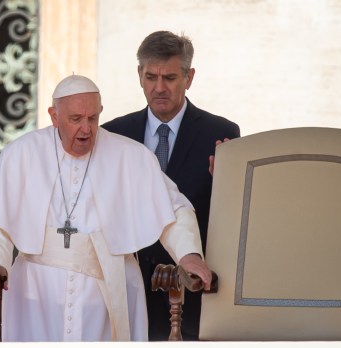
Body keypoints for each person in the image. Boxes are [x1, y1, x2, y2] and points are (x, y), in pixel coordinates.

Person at [0, 74, 213, 341]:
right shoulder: (20, 153)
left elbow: (174, 209)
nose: (86, 129)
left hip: (107, 288)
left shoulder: (129, 155)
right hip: (36, 291)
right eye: (76, 119)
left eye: (92, 118)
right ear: (54, 116)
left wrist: (188, 254)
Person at [102, 30, 240, 340]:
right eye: (151, 77)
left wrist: (228, 185)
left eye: (170, 78)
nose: (159, 87)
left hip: (194, 290)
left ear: (189, 77)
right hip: (128, 286)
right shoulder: (112, 135)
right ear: (139, 75)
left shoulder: (222, 133)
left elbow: (236, 218)